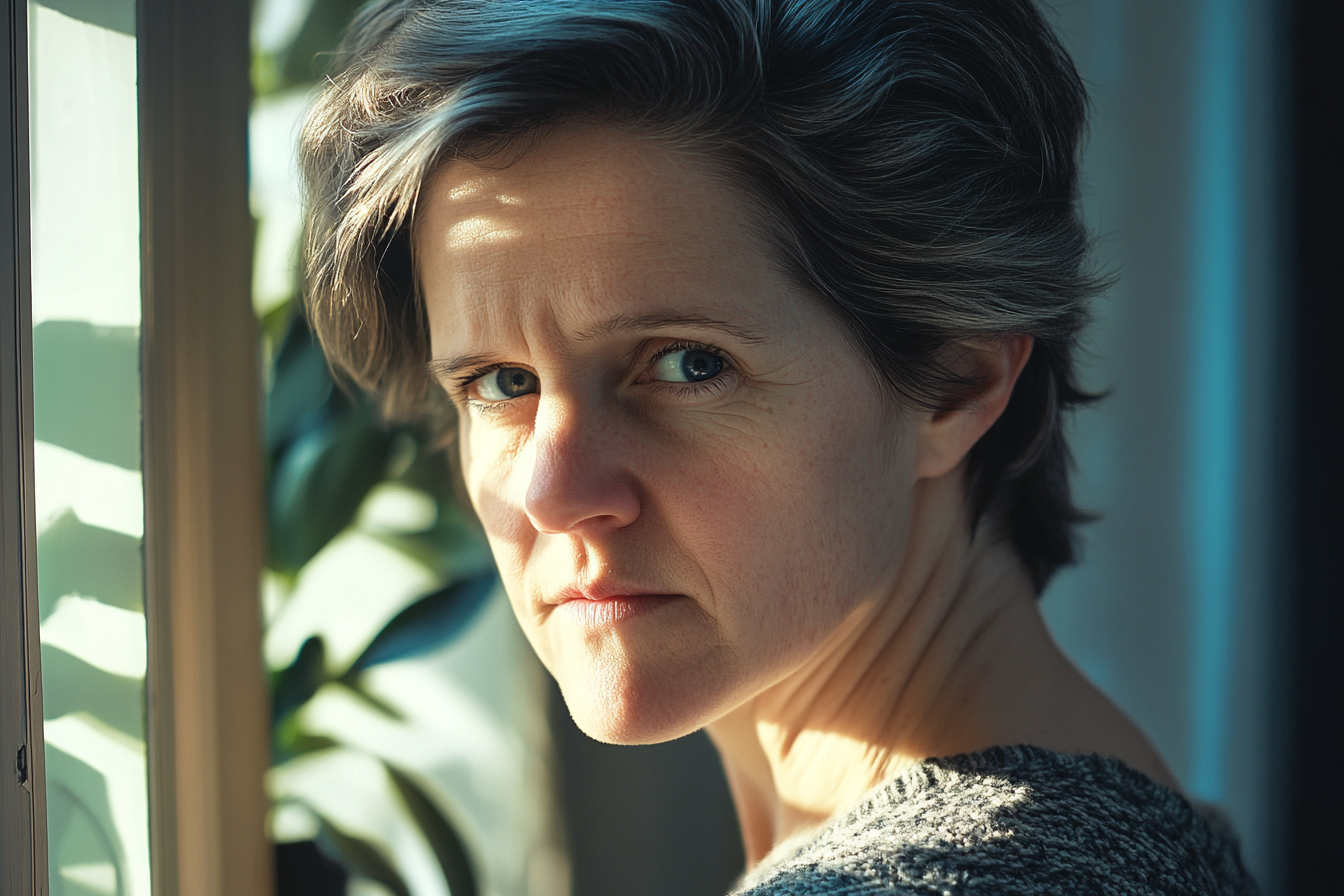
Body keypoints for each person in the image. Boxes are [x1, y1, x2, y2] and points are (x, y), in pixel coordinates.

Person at [299, 0, 1255, 892]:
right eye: (501, 384)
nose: (551, 491)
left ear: (953, 382)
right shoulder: (1132, 823)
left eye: (683, 364)